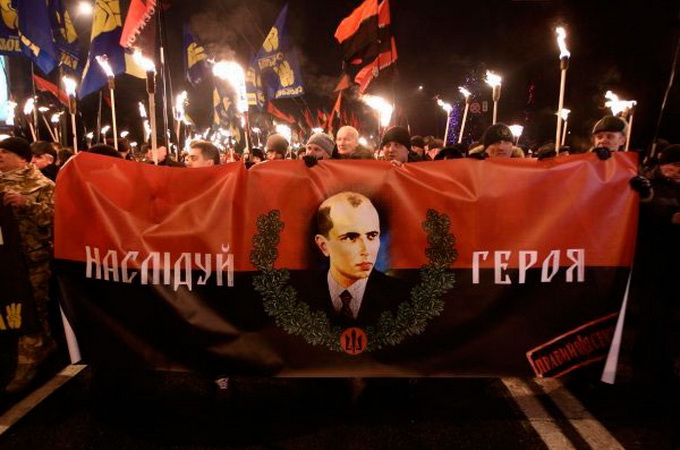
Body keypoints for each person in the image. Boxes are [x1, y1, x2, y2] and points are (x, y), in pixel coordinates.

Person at [0, 137, 57, 393]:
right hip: (4, 260)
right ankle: (45, 343)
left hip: (32, 259)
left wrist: (28, 205)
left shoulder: (43, 184)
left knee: (32, 307)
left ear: (23, 158)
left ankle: (28, 363)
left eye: (5, 151)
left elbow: (57, 217)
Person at [308, 192, 405, 328]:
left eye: (372, 236)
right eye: (351, 237)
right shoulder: (301, 296)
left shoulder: (403, 297)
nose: (365, 250)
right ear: (324, 246)